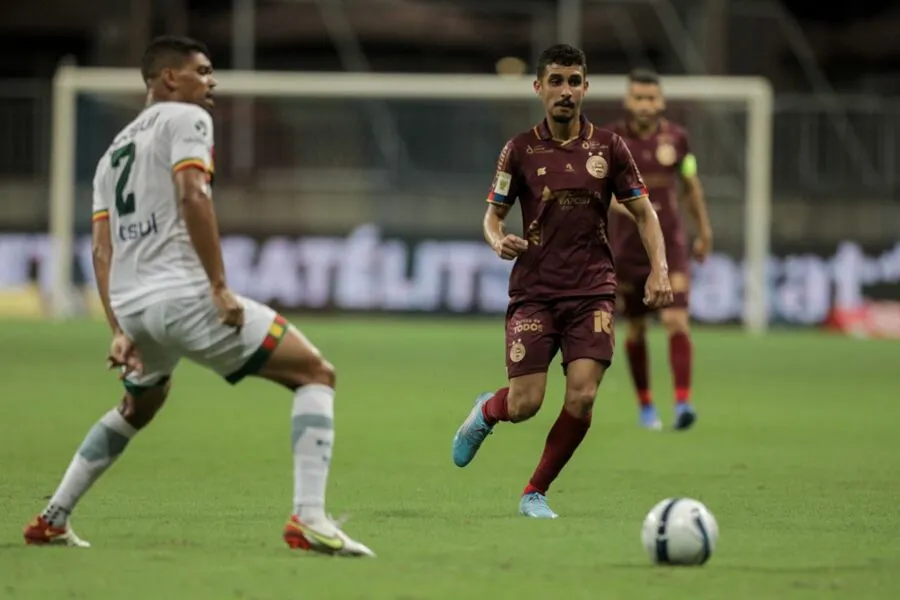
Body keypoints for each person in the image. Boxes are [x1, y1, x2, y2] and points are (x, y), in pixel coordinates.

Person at [22, 35, 374, 557]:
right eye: (203, 71)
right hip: (186, 298)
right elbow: (193, 194)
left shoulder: (111, 155)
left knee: (139, 405)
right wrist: (217, 286)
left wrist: (118, 330)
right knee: (314, 373)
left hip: (136, 309)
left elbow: (101, 251)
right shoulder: (186, 119)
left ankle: (53, 518)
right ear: (170, 79)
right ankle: (310, 518)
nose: (212, 82)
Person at [451, 44, 673, 519]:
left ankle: (535, 492)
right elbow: (492, 216)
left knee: (584, 393)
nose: (566, 91)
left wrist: (661, 268)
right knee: (526, 403)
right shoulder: (519, 150)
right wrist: (497, 240)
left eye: (574, 81)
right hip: (534, 292)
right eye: (556, 81)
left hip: (592, 290)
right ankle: (488, 411)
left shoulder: (610, 148)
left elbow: (644, 213)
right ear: (539, 88)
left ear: (586, 88)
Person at [605, 68, 713, 431]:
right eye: (639, 97)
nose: (645, 104)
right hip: (627, 250)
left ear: (662, 101)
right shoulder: (611, 141)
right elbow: (601, 194)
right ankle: (646, 406)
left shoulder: (678, 140)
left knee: (675, 319)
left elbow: (690, 184)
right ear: (627, 100)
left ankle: (683, 402)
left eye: (651, 98)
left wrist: (704, 231)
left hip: (671, 246)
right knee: (635, 328)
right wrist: (637, 211)